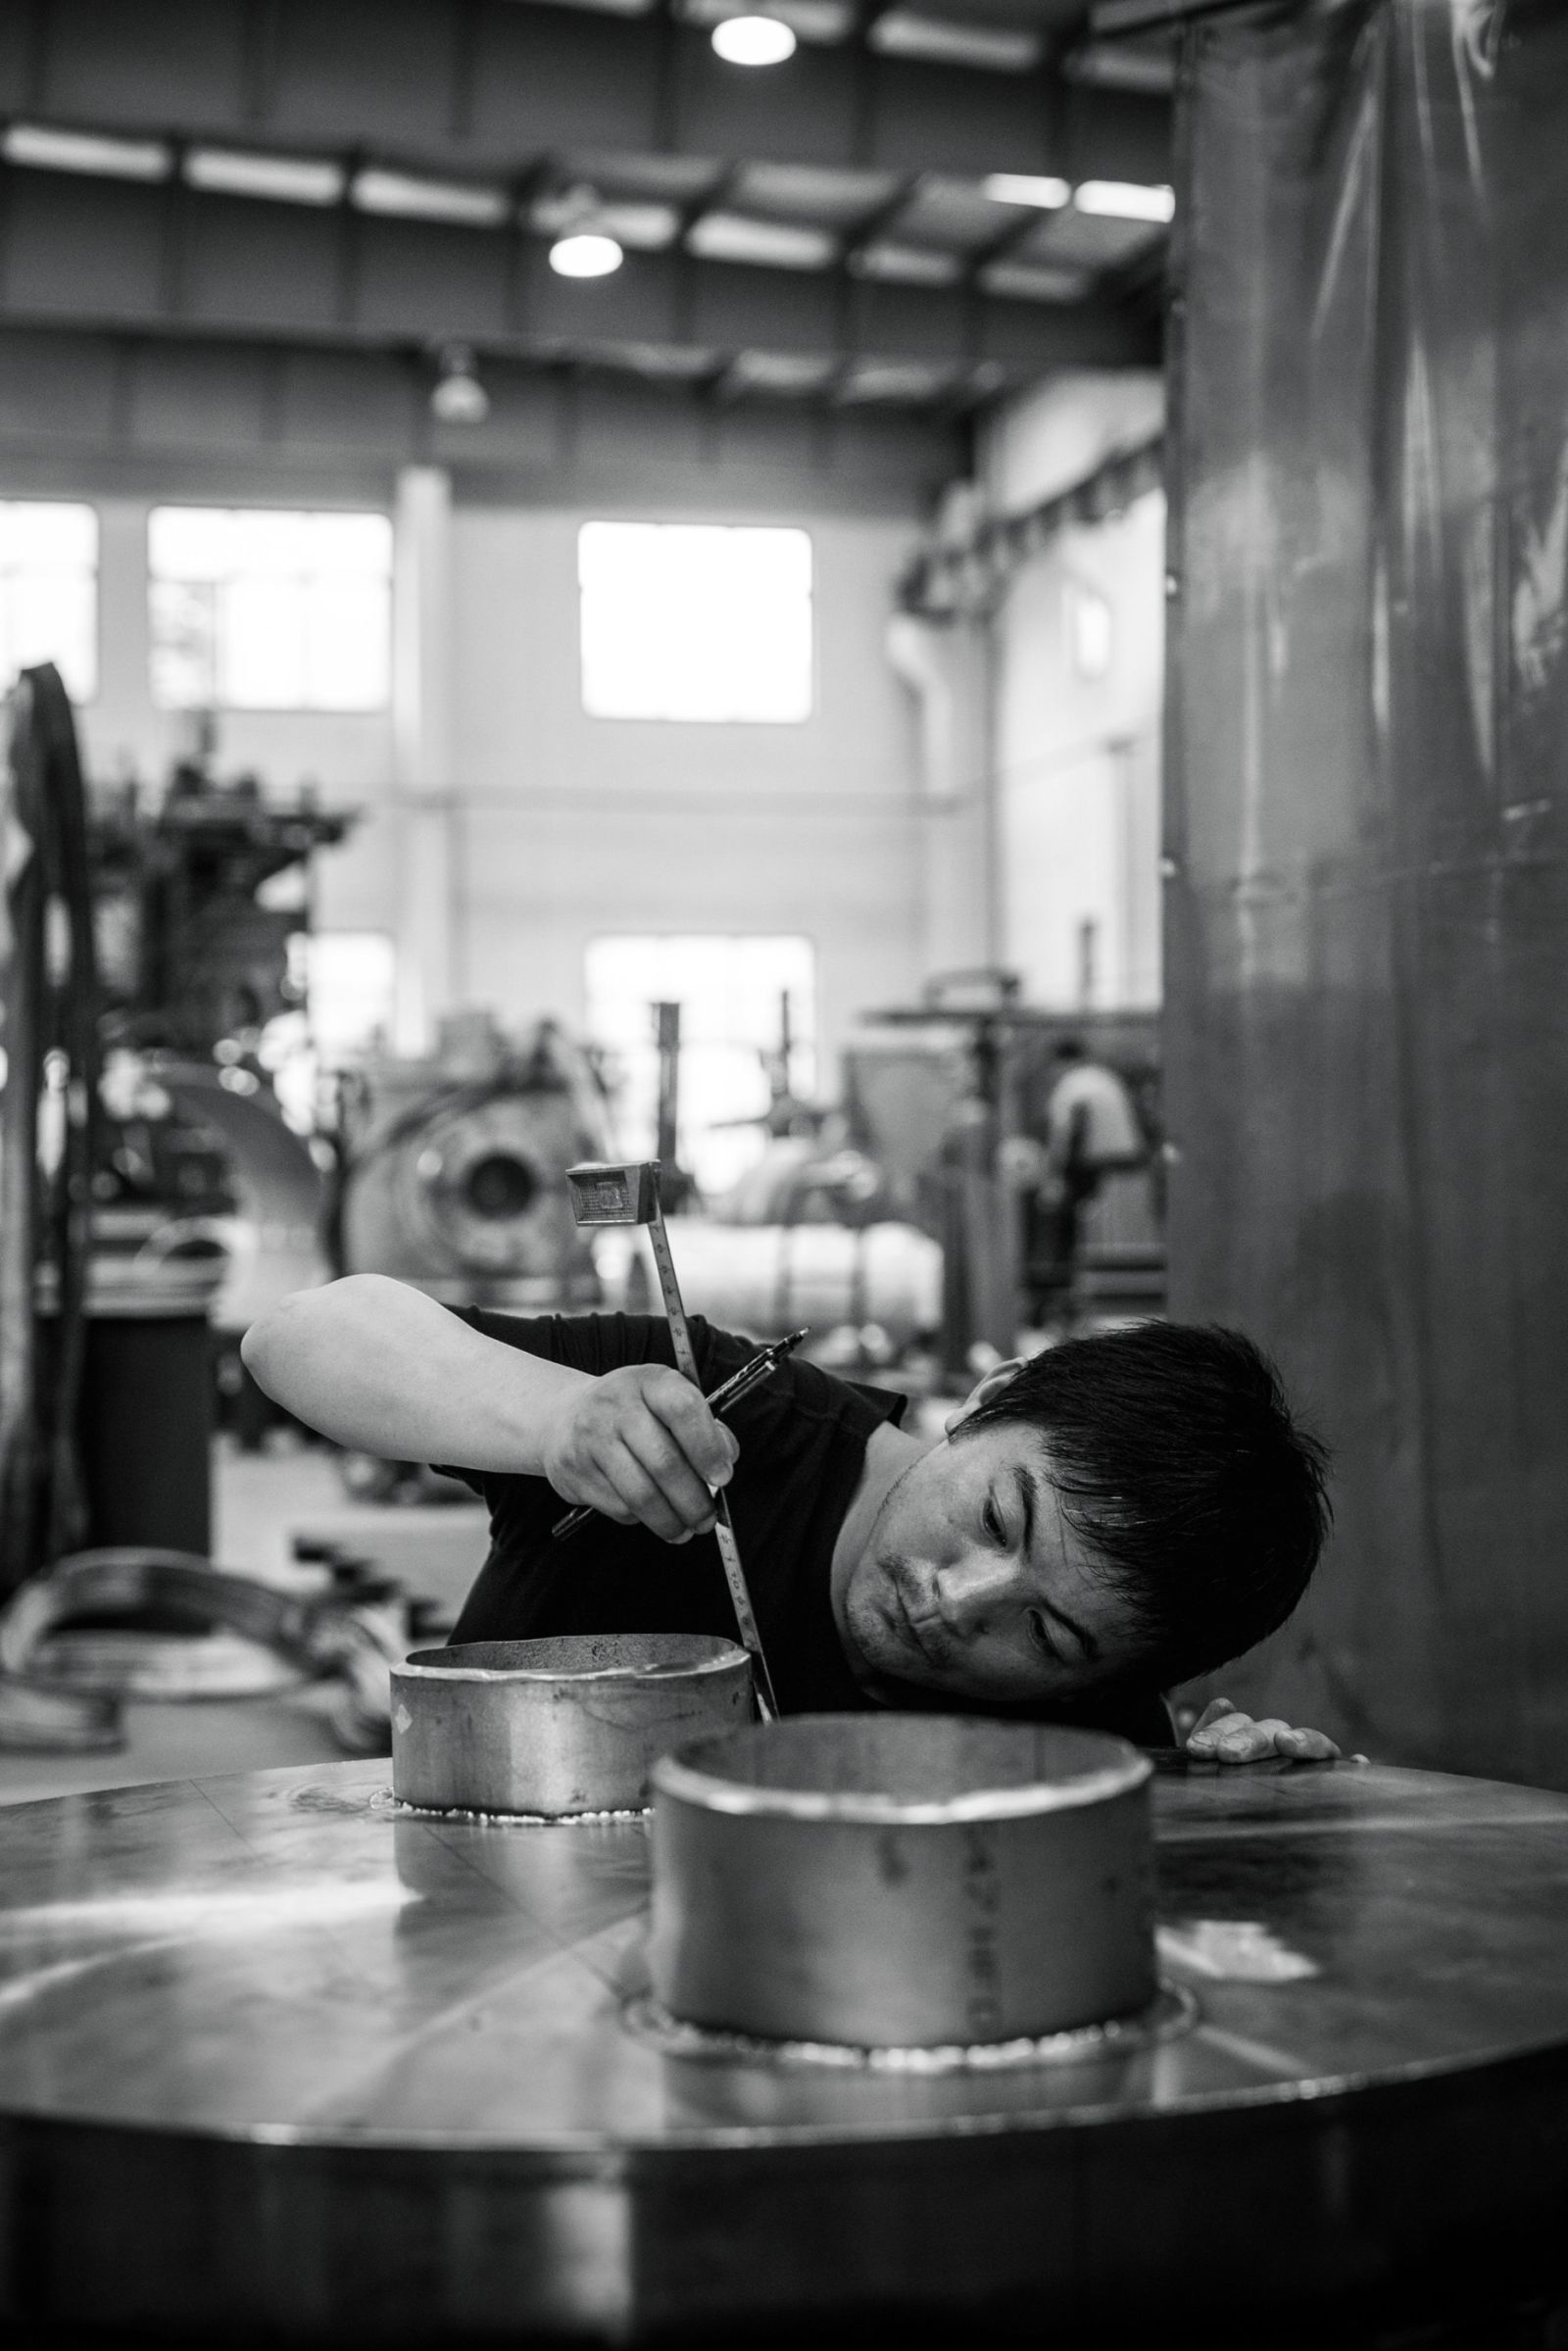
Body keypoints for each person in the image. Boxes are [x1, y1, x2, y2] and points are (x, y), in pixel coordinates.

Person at [242, 1278, 1339, 1763]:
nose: (958, 1601)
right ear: (998, 1390)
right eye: (998, 1516)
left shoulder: (1084, 1741)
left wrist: (1228, 1809)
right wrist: (558, 1417)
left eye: (1047, 1635)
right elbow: (296, 1334)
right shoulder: (719, 1410)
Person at [1024, 1037, 1151, 1325]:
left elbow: (1063, 1136)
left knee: (1054, 1222)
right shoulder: (1104, 1078)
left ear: (1062, 1062)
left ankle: (1055, 1289)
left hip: (1092, 1165)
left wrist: (1053, 1181)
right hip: (1124, 1167)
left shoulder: (1070, 1086)